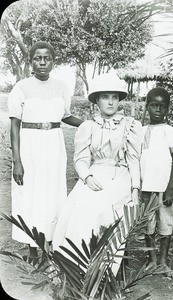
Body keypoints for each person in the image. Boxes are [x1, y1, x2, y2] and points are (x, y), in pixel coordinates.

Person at [52, 73, 142, 274]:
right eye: (105, 97)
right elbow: (81, 160)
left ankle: (104, 272)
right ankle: (76, 269)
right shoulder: (88, 127)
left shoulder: (131, 125)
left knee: (100, 209)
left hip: (121, 176)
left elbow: (134, 160)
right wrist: (87, 177)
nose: (110, 102)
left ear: (119, 100)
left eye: (114, 97)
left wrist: (135, 188)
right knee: (77, 206)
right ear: (97, 101)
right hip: (95, 174)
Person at [7, 41, 83, 259]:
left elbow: (65, 116)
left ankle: (50, 244)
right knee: (30, 195)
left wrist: (88, 123)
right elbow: (14, 126)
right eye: (37, 58)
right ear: (31, 61)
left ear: (53, 61)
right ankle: (32, 248)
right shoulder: (21, 88)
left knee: (52, 194)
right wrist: (17, 162)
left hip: (54, 147)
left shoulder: (61, 87)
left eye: (46, 58)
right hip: (30, 147)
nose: (42, 62)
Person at [140, 87, 173, 276]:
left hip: (166, 188)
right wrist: (140, 187)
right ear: (147, 106)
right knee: (147, 223)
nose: (158, 109)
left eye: (162, 106)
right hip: (147, 187)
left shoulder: (170, 131)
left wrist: (170, 188)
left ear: (167, 109)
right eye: (154, 105)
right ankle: (152, 260)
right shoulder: (140, 132)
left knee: (166, 223)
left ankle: (163, 262)